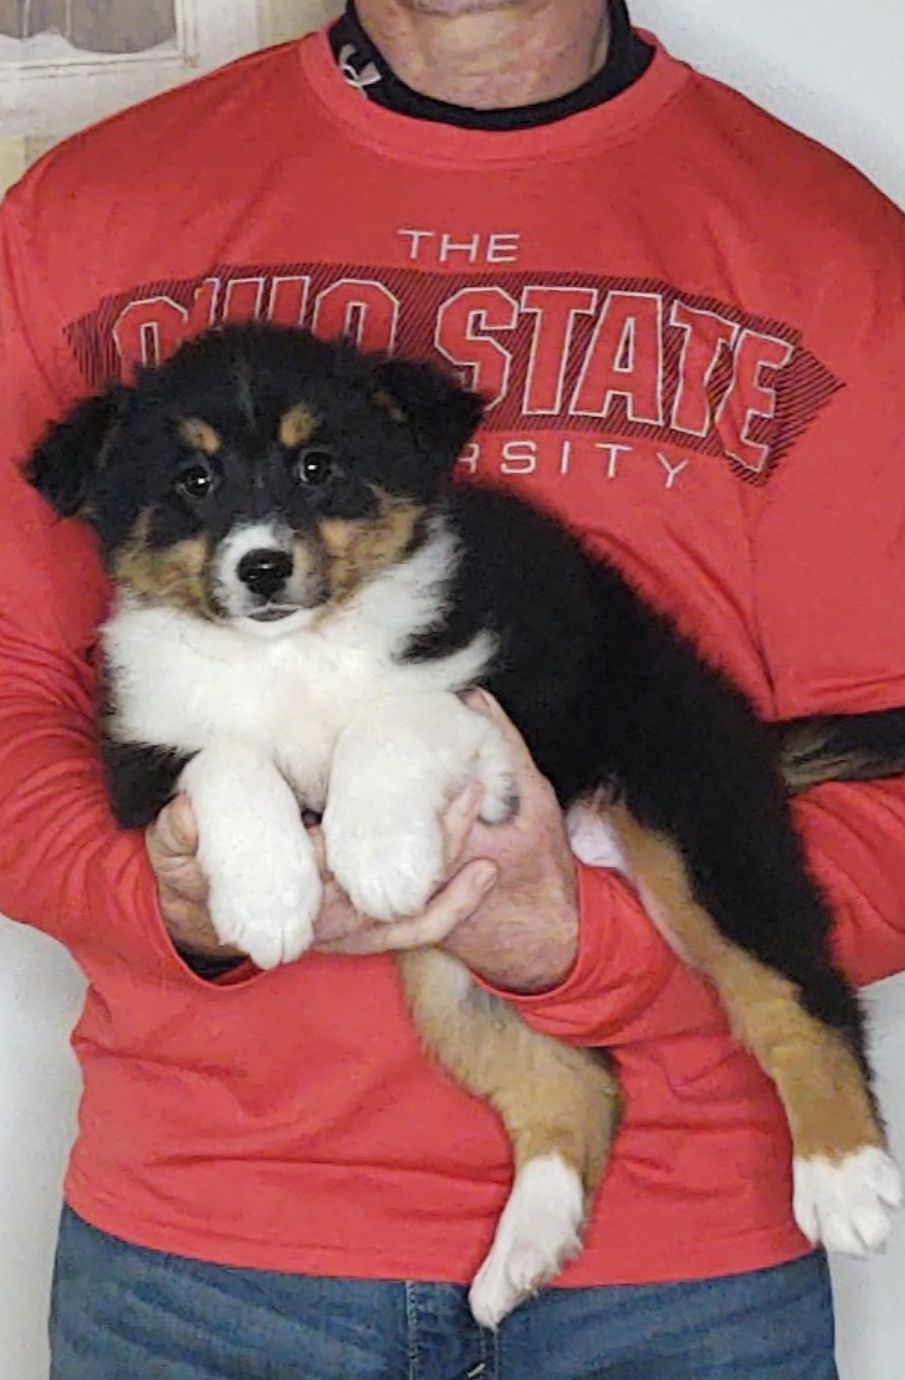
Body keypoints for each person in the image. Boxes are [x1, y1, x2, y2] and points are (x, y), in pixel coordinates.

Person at [1, 1, 904, 1376]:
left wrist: (579, 944)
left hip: (678, 1286)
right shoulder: (87, 210)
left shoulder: (832, 247)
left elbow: (883, 773)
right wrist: (164, 896)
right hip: (203, 1260)